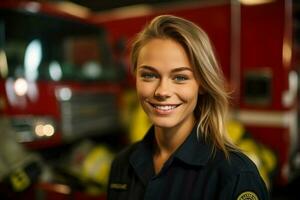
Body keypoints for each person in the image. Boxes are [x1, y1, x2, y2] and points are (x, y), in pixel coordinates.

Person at [107, 15, 269, 200]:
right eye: (149, 75)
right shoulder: (122, 164)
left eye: (180, 77)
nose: (162, 91)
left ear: (202, 85)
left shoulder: (235, 175)